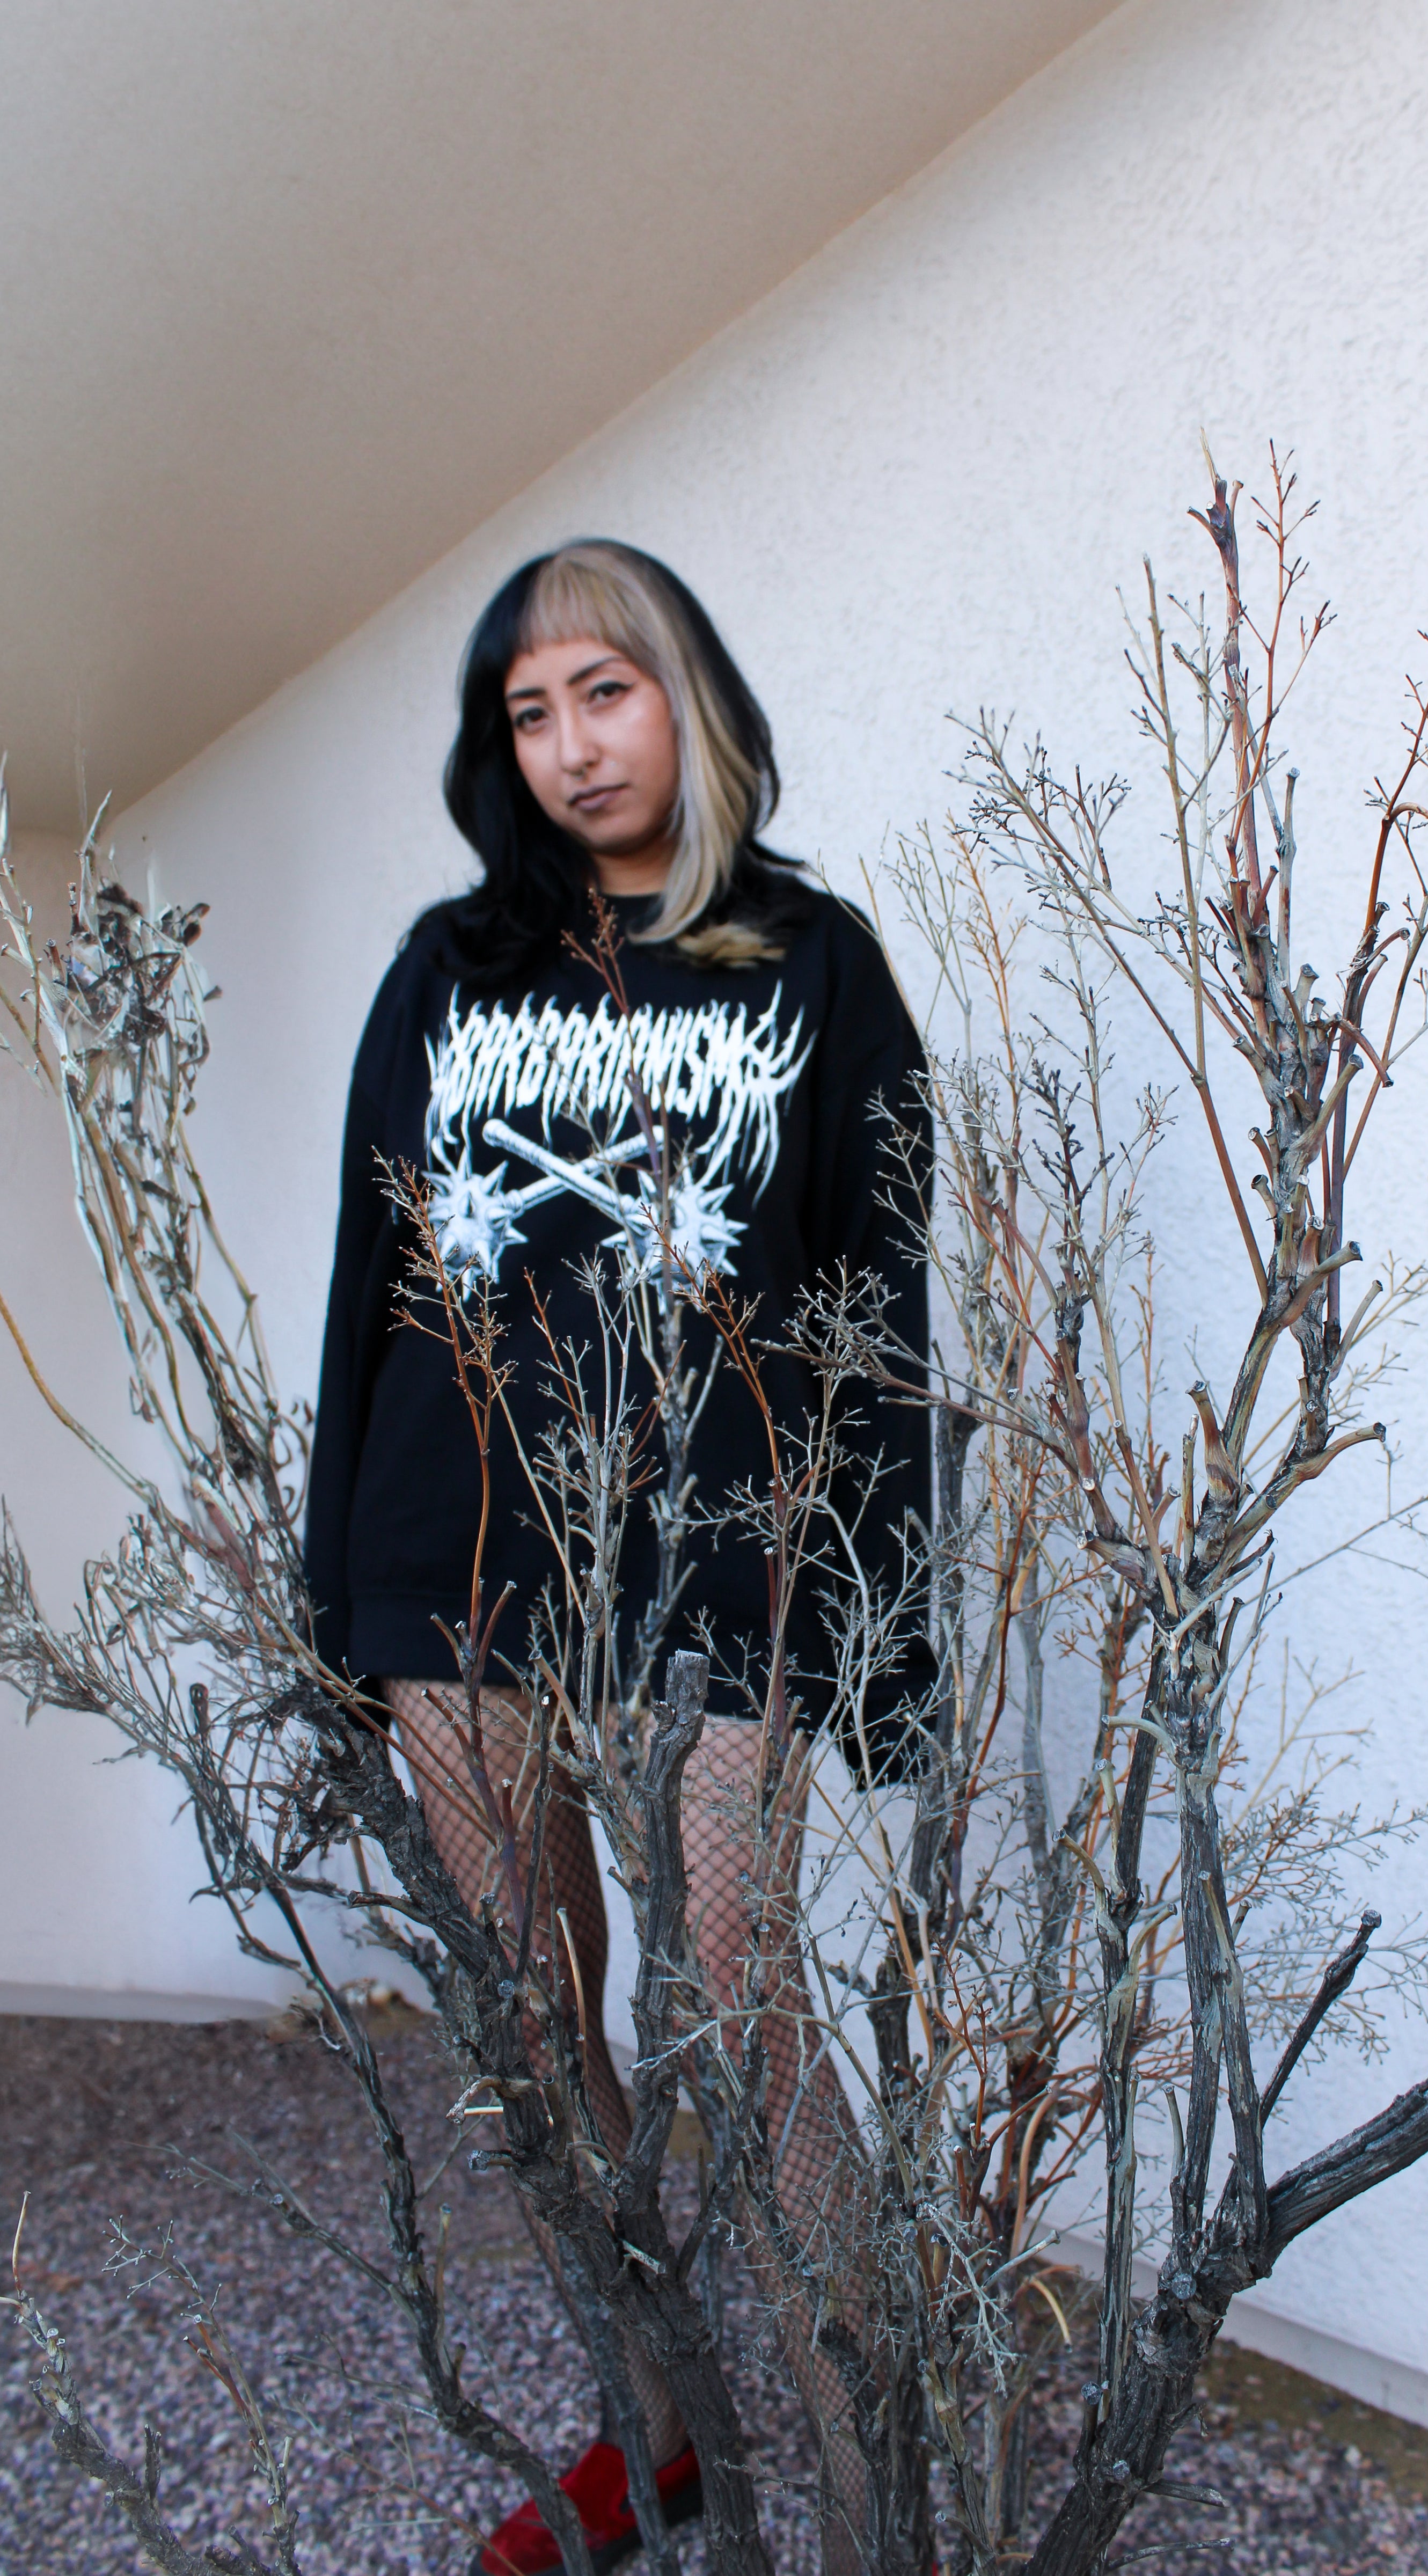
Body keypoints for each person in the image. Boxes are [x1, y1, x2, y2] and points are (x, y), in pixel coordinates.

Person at [303, 540, 932, 2576]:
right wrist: (342, 1593)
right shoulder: (451, 969)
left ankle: (867, 2471)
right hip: (455, 1550)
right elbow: (373, 1281)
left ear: (690, 697)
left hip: (723, 1555)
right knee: (538, 2013)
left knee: (739, 1997)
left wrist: (884, 1627)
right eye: (529, 710)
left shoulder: (814, 962)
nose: (574, 747)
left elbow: (883, 1302)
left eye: (609, 691)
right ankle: (651, 2431)